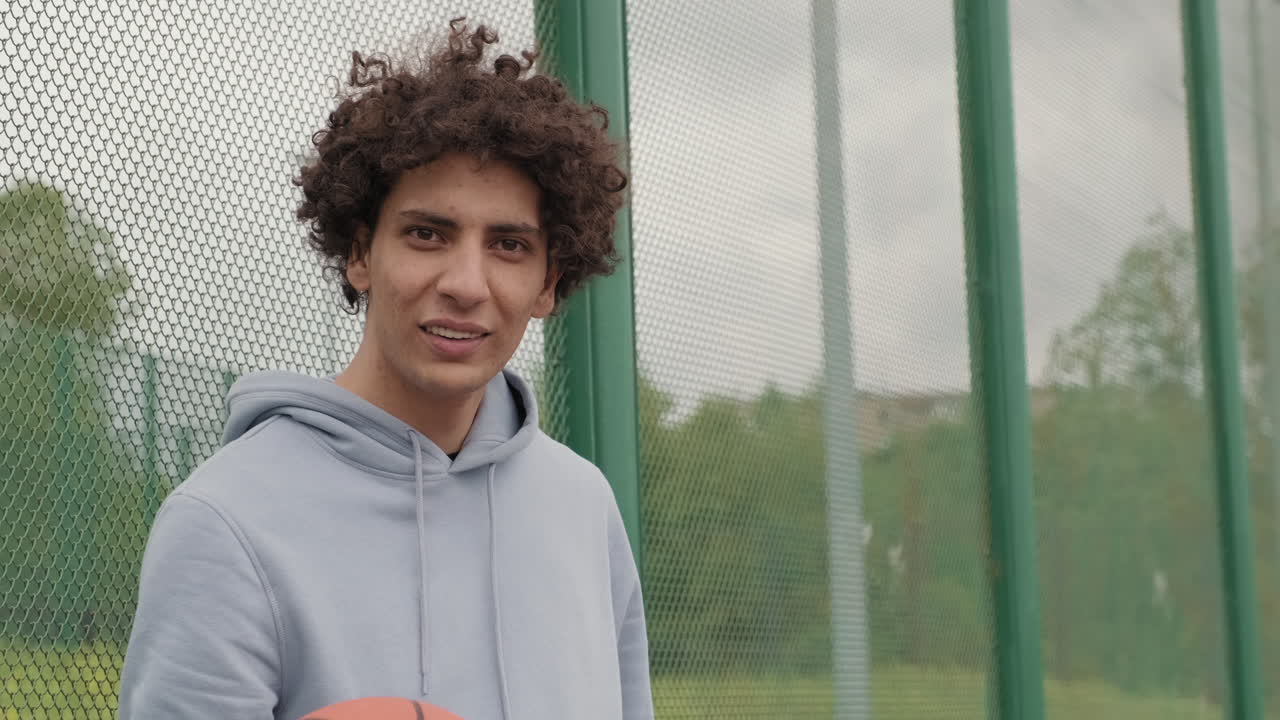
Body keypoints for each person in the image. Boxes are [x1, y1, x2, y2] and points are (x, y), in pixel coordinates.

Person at [117, 19, 652, 720]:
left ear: (549, 283)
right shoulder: (224, 523)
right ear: (361, 254)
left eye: (510, 245)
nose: (466, 282)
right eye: (427, 234)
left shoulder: (584, 507)